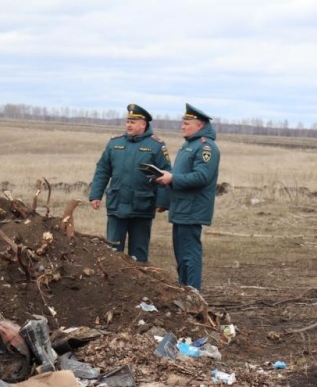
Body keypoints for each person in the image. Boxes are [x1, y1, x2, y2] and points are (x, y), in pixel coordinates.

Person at [89, 104, 172, 262]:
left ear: (143, 124)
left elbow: (165, 174)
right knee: (112, 250)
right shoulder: (114, 144)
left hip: (142, 206)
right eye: (127, 121)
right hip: (117, 204)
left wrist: (162, 202)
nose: (128, 124)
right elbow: (102, 170)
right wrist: (95, 195)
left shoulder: (156, 146)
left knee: (139, 254)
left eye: (133, 122)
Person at [154, 103, 220, 290]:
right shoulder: (189, 146)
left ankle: (193, 294)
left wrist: (172, 178)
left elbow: (201, 177)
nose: (182, 126)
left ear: (199, 125)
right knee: (181, 255)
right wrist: (165, 201)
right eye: (182, 123)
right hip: (181, 208)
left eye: (186, 123)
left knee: (190, 255)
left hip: (192, 209)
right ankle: (184, 292)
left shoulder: (206, 148)